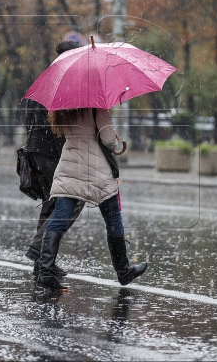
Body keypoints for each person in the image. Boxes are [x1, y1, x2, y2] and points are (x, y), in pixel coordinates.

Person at [37, 107, 147, 290]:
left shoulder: (65, 107)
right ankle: (123, 270)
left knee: (60, 218)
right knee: (112, 219)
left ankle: (45, 271)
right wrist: (114, 137)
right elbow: (108, 140)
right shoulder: (98, 106)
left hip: (70, 167)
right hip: (96, 170)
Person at [23, 40, 85, 278]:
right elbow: (60, 125)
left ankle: (43, 264)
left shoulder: (45, 78)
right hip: (52, 153)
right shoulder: (65, 81)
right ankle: (39, 251)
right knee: (71, 202)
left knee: (51, 204)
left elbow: (28, 119)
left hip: (36, 151)